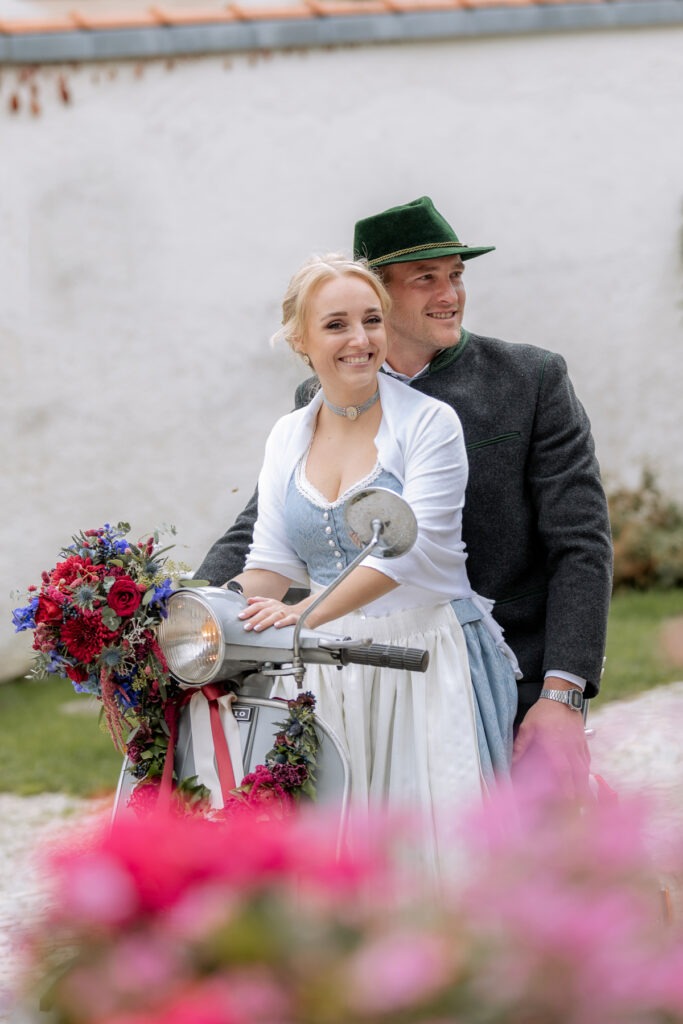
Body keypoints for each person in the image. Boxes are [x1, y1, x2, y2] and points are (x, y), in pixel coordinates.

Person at [196, 197, 613, 797]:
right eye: (426, 279)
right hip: (346, 667)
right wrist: (191, 609)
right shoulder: (315, 400)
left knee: (521, 846)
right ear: (381, 293)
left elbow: (581, 544)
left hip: (505, 663)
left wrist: (563, 692)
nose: (450, 294)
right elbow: (269, 526)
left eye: (456, 275)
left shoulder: (529, 379)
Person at [227, 253, 520, 877]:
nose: (360, 340)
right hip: (321, 671)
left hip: (425, 659)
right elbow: (269, 563)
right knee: (333, 857)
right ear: (300, 340)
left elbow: (406, 555)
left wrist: (303, 614)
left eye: (371, 320)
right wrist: (196, 615)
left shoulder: (430, 423)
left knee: (434, 862)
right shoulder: (287, 435)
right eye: (336, 325)